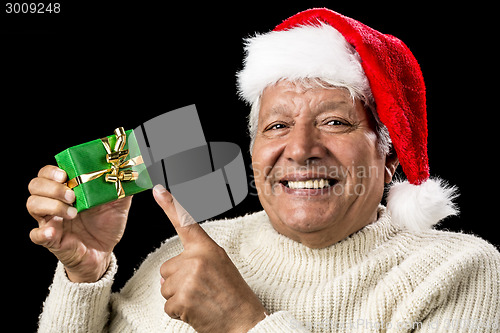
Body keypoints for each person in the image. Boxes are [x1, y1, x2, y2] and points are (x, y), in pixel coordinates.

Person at [27, 8, 500, 333]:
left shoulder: (454, 271)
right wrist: (85, 276)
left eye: (335, 122)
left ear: (389, 156)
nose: (300, 149)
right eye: (277, 125)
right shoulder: (186, 251)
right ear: (254, 149)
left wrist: (243, 321)